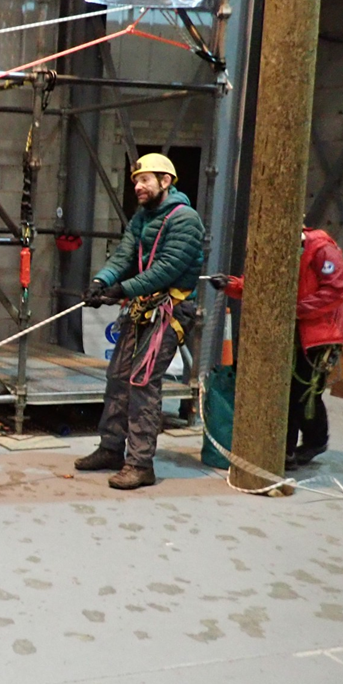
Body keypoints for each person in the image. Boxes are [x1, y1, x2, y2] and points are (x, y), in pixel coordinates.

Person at [77, 153, 205, 490]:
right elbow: (124, 254)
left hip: (170, 308)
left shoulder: (185, 219)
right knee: (118, 376)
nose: (137, 186)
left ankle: (140, 463)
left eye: (145, 179)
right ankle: (111, 448)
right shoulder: (143, 217)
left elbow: (167, 268)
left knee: (142, 382)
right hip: (144, 306)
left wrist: (122, 289)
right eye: (136, 180)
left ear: (166, 181)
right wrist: (102, 281)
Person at [208, 226, 343, 469]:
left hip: (317, 335)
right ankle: (293, 448)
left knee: (302, 394)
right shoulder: (276, 248)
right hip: (291, 329)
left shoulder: (321, 249)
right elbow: (262, 285)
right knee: (288, 393)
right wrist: (231, 284)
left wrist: (293, 310)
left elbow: (335, 289)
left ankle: (306, 444)